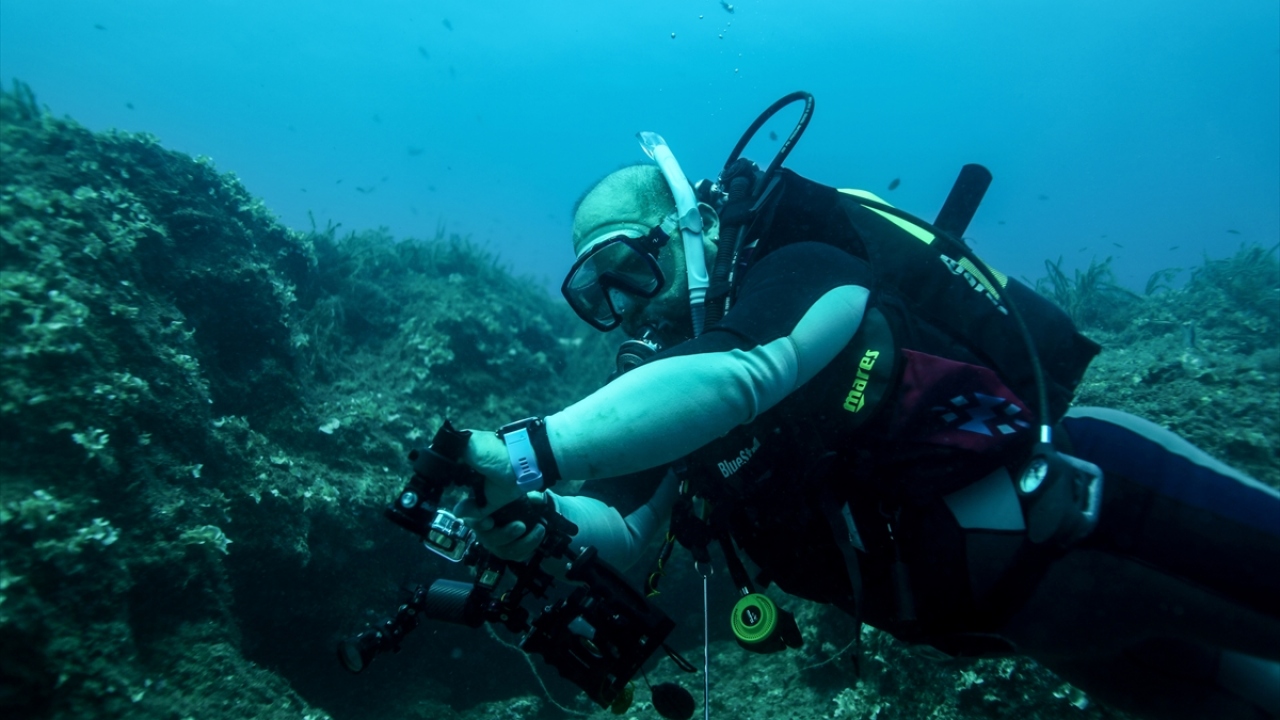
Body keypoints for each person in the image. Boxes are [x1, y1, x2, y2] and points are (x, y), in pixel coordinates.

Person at [453, 131, 1280, 718]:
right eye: (596, 296)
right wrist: (529, 516)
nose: (625, 304)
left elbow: (746, 371)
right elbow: (622, 530)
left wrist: (525, 454)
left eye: (629, 266)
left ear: (691, 227)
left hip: (1102, 507)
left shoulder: (801, 259)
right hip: (1039, 621)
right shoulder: (659, 405)